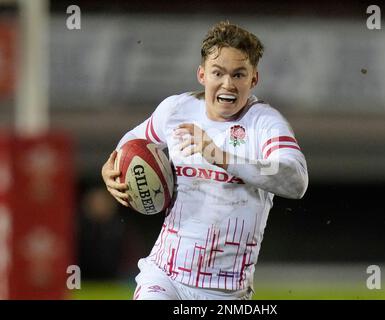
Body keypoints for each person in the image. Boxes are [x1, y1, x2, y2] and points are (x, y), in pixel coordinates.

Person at [101, 21, 308, 300]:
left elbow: (296, 180)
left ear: (254, 79)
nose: (228, 84)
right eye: (218, 73)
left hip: (226, 291)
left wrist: (221, 158)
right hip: (165, 276)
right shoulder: (176, 110)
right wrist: (109, 170)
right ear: (202, 74)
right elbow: (128, 146)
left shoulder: (265, 124)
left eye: (238, 75)